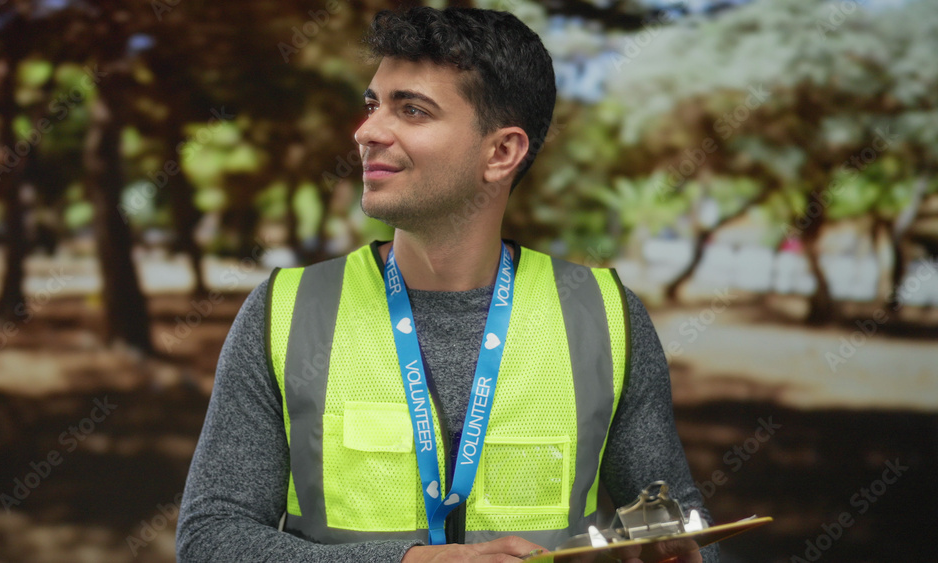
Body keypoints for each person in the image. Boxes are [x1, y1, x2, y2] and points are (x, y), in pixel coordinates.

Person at [176, 7, 718, 563]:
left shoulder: (606, 317)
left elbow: (681, 526)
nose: (367, 132)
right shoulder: (284, 311)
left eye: (411, 110)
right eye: (372, 105)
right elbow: (212, 539)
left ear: (502, 152)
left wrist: (686, 556)